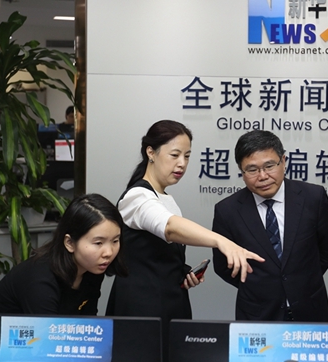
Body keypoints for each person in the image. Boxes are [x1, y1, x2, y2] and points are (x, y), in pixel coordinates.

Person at [106, 120, 263, 348]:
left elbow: (156, 254)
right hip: (141, 311)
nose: (182, 163)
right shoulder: (137, 196)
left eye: (187, 156)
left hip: (170, 305)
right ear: (151, 152)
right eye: (175, 155)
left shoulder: (165, 198)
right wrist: (222, 242)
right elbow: (169, 227)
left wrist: (181, 273)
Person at [212, 130, 328, 321]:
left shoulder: (313, 198)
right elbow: (223, 266)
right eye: (252, 170)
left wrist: (301, 280)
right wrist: (259, 287)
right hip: (258, 315)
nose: (263, 176)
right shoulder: (227, 210)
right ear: (241, 171)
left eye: (269, 166)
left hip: (310, 310)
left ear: (283, 161)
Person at [0, 193, 127, 315]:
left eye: (115, 241)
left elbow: (88, 325)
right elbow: (46, 334)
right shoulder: (40, 280)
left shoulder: (92, 268)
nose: (109, 252)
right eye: (98, 243)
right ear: (70, 243)